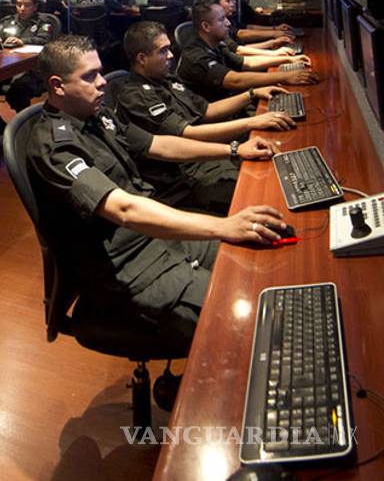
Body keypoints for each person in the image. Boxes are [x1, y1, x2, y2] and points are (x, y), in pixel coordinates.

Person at [27, 35, 288, 350]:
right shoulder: (53, 147)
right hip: (131, 267)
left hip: (158, 237)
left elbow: (159, 145)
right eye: (89, 76)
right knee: (254, 321)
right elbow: (124, 209)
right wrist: (223, 225)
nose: (103, 82)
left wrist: (234, 150)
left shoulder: (98, 116)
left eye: (100, 72)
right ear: (57, 86)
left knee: (261, 258)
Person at [116, 21, 296, 213]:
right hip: (185, 176)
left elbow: (207, 110)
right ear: (142, 58)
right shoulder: (135, 96)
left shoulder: (165, 80)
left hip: (207, 155)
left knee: (278, 158)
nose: (171, 55)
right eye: (163, 51)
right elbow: (188, 134)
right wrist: (249, 124)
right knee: (265, 193)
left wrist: (251, 94)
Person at [177, 0, 318, 102]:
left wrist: (288, 59)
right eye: (221, 20)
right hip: (218, 119)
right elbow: (235, 80)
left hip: (232, 102)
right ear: (206, 27)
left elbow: (246, 63)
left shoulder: (216, 45)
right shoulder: (196, 56)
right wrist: (285, 76)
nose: (228, 23)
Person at [0, 0, 56, 146]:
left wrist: (22, 41)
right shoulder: (7, 21)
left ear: (35, 6)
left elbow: (45, 40)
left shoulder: (44, 22)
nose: (22, 8)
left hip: (34, 70)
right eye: (19, 5)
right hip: (7, 67)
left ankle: (24, 129)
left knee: (17, 90)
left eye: (27, 5)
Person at [204, 0, 305, 59]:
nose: (234, 3)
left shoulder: (229, 18)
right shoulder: (217, 30)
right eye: (228, 1)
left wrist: (275, 33)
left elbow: (246, 29)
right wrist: (274, 44)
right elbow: (239, 47)